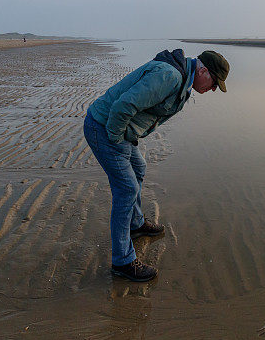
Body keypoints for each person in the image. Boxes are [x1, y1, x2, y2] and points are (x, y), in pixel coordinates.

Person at [83, 49, 229, 282]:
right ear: (203, 71)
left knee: (138, 168)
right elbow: (123, 106)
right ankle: (123, 261)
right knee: (126, 189)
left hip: (115, 129)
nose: (212, 89)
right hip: (104, 127)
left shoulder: (183, 80)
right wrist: (117, 139)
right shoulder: (170, 76)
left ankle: (136, 224)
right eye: (214, 83)